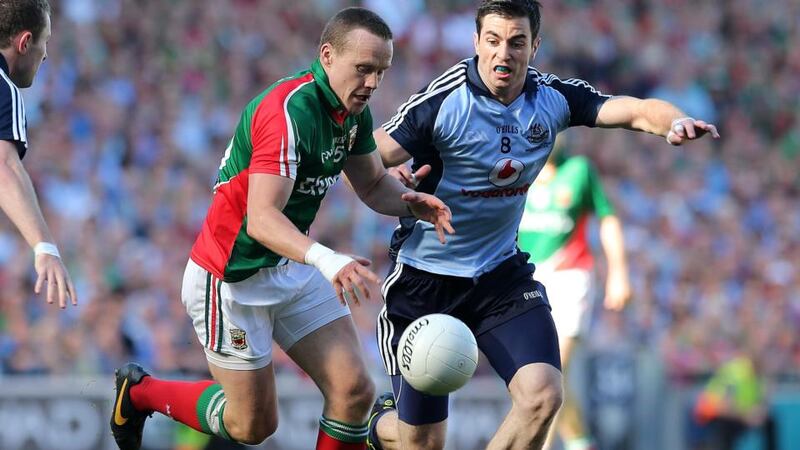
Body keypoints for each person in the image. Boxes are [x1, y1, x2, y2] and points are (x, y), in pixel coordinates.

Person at [366, 1, 719, 449]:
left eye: (517, 42)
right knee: (420, 443)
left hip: (499, 275)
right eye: (493, 41)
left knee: (544, 396)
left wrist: (674, 120)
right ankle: (376, 426)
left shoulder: (551, 98)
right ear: (476, 42)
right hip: (425, 281)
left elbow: (631, 110)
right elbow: (370, 153)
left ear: (535, 46)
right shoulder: (445, 100)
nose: (503, 53)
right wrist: (388, 176)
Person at [110, 7, 454, 450]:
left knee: (354, 391)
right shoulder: (289, 111)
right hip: (231, 277)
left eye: (381, 72)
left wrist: (410, 203)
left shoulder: (352, 112)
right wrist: (329, 261)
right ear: (327, 55)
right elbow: (262, 219)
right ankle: (140, 392)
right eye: (363, 69)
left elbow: (371, 183)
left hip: (290, 263)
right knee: (252, 426)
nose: (372, 82)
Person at [518, 137, 632, 450]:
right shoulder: (518, 172)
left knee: (551, 370)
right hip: (527, 280)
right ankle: (581, 442)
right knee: (542, 377)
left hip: (571, 277)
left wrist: (618, 273)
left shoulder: (579, 170)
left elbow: (607, 218)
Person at [0, 0, 77, 309]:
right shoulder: (3, 89)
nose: (45, 54)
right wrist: (45, 247)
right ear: (25, 42)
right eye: (45, 41)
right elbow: (4, 166)